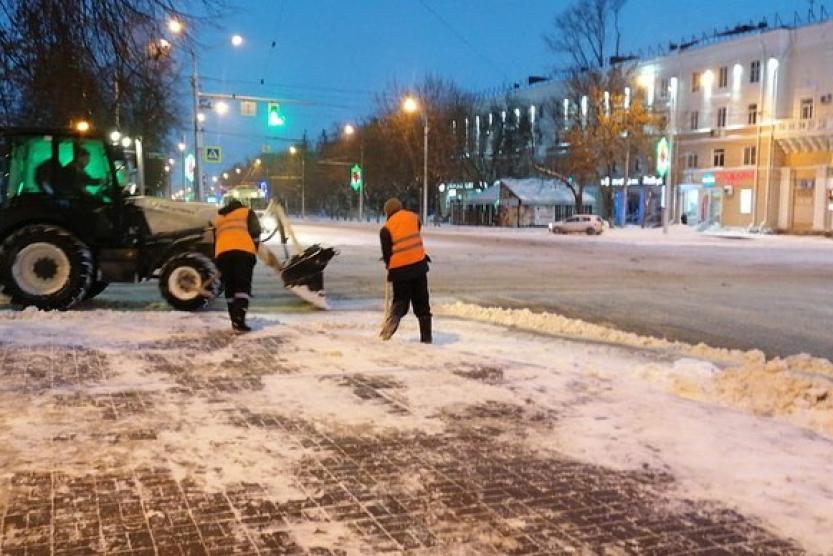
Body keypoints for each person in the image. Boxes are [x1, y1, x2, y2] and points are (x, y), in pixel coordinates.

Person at [379, 198, 432, 343]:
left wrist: (388, 263)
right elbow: (415, 233)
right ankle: (426, 338)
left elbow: (387, 252)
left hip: (400, 270)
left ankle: (391, 323)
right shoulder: (413, 218)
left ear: (388, 213)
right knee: (422, 304)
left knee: (400, 301)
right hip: (419, 266)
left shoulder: (386, 228)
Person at [215, 199, 261, 332]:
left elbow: (216, 238)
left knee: (230, 286)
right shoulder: (247, 212)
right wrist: (254, 249)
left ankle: (234, 319)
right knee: (242, 286)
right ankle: (239, 320)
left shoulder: (220, 217)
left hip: (222, 253)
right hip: (243, 252)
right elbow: (256, 233)